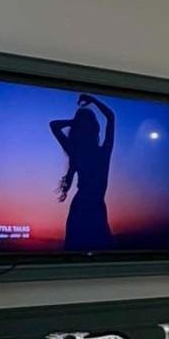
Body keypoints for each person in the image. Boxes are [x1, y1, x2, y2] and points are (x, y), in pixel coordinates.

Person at [50, 93, 115, 251]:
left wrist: (93, 100)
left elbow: (111, 117)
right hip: (81, 208)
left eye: (88, 122)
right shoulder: (76, 152)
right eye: (82, 124)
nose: (84, 126)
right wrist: (75, 122)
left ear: (93, 127)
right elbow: (53, 125)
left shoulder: (103, 151)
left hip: (97, 207)